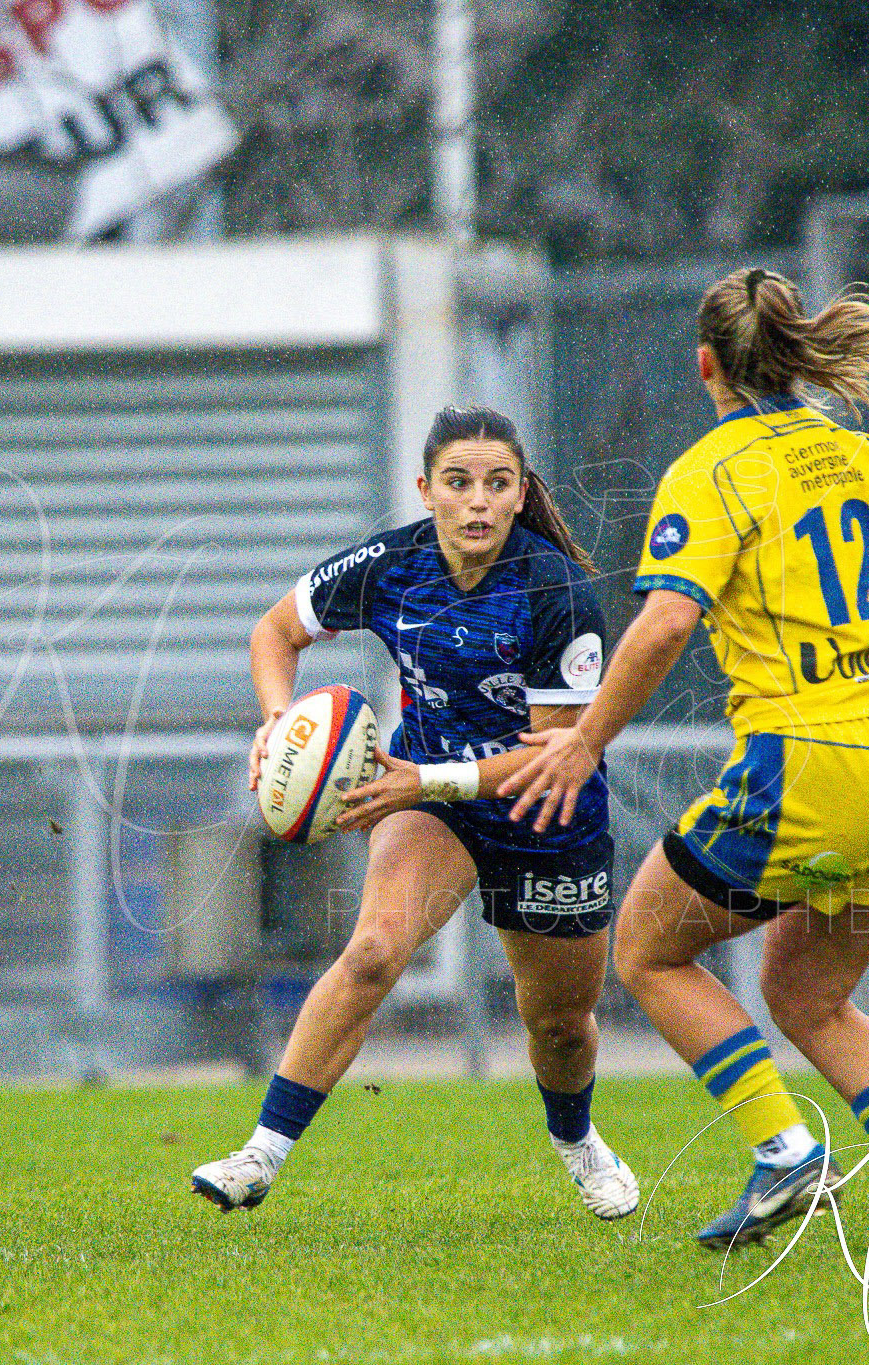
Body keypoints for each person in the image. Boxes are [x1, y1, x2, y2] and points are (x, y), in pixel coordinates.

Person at [501, 268, 869, 1255]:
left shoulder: (712, 470)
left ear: (704, 365)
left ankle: (782, 1152)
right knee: (808, 997)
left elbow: (661, 625)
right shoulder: (855, 454)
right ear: (788, 354)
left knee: (647, 948)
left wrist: (583, 738)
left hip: (807, 771)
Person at [189, 406, 641, 1221]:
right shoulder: (392, 564)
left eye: (497, 485)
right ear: (426, 490)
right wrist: (278, 722)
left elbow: (553, 754)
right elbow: (274, 631)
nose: (477, 502)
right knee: (371, 951)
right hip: (428, 798)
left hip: (545, 806)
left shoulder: (558, 592)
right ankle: (260, 1153)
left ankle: (578, 1141)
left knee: (561, 1023)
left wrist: (428, 779)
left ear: (519, 493)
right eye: (459, 483)